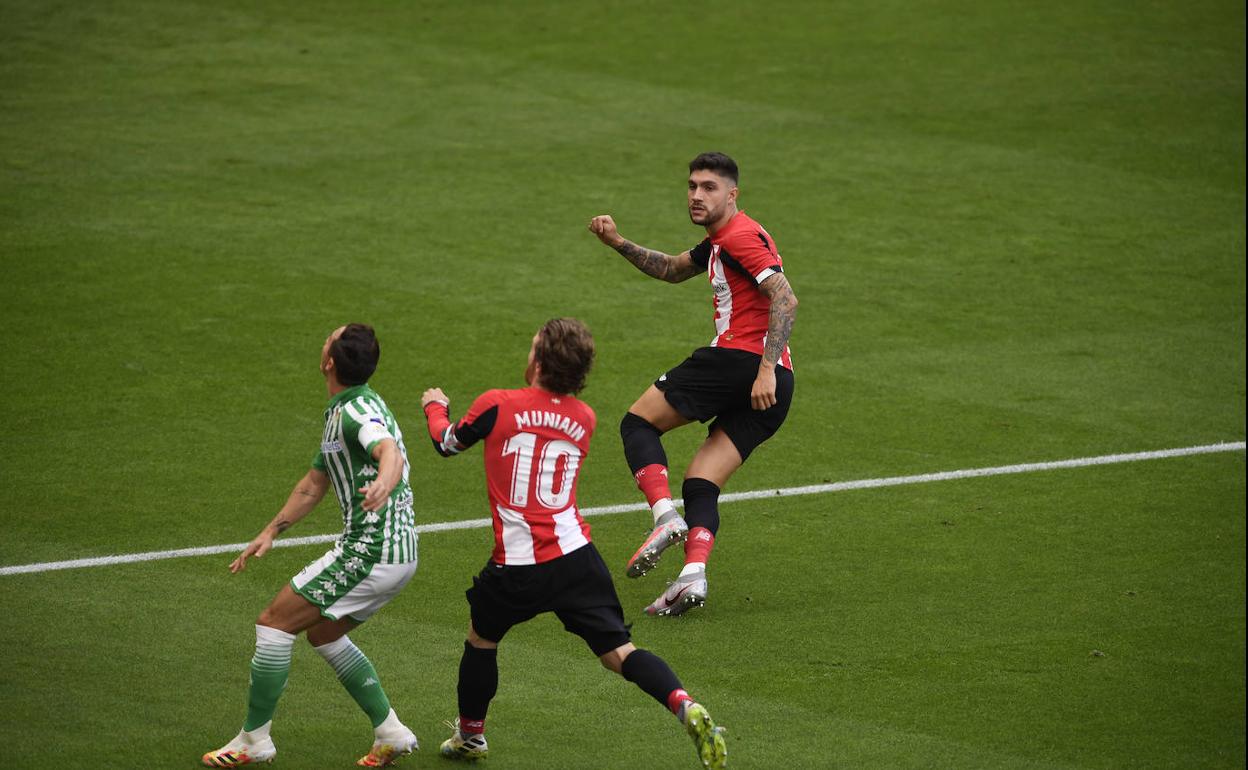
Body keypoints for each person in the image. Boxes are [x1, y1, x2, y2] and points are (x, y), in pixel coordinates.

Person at [420, 318, 728, 769]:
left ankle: (471, 736)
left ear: (539, 360)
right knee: (620, 653)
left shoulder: (496, 404)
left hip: (518, 564)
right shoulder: (583, 418)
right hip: (576, 558)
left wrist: (435, 406)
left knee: (482, 640)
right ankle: (683, 703)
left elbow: (447, 444)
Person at [587, 151, 798, 617]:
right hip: (779, 384)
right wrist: (618, 242)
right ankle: (691, 577)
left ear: (732, 193)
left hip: (742, 363)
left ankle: (664, 518)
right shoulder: (720, 241)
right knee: (702, 481)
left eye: (708, 187)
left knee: (637, 423)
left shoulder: (741, 236)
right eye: (691, 186)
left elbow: (785, 297)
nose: (697, 195)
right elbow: (672, 268)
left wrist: (762, 368)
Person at [203, 324, 421, 768]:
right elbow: (315, 482)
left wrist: (382, 482)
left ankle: (254, 740)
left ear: (328, 363)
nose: (324, 339)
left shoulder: (357, 412)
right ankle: (391, 732)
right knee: (323, 633)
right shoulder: (347, 407)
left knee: (274, 623)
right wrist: (271, 529)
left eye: (329, 338)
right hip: (398, 554)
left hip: (370, 551)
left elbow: (388, 453)